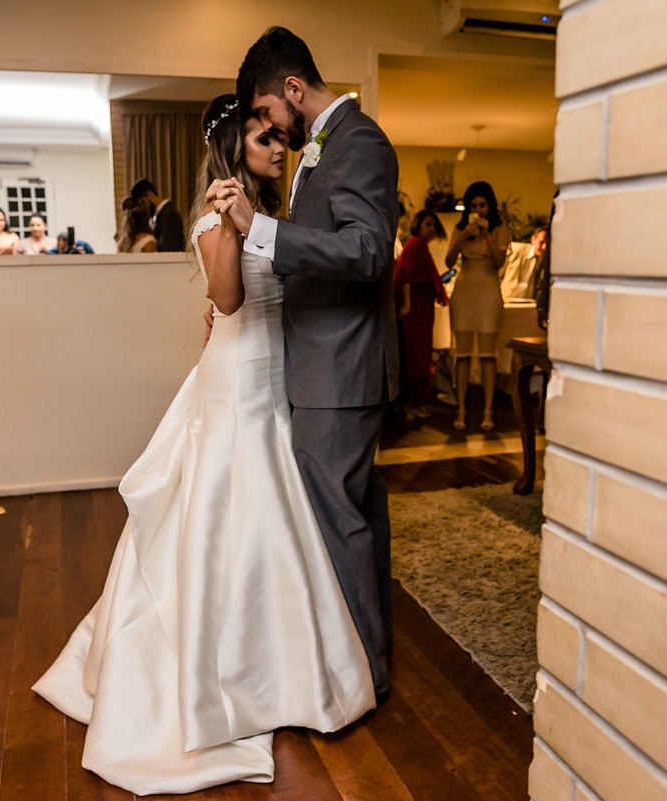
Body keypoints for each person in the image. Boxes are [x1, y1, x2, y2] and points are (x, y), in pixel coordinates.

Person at [33, 94, 374, 795]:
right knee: (227, 516)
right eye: (262, 140)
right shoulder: (213, 218)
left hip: (278, 373)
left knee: (277, 520)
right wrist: (228, 227)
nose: (277, 149)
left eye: (278, 139)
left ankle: (283, 667)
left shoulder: (277, 211)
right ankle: (218, 677)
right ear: (232, 150)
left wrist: (258, 227)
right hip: (236, 382)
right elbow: (226, 300)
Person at [218, 26, 399, 701]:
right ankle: (369, 654)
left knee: (337, 520)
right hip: (325, 362)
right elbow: (326, 252)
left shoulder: (361, 142)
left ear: (293, 90)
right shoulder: (324, 148)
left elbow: (367, 251)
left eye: (268, 113)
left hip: (339, 367)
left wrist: (260, 233)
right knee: (357, 514)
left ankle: (361, 677)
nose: (269, 129)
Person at [445, 181, 511, 431]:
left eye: (482, 204)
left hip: (489, 292)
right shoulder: (461, 228)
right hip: (464, 293)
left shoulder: (500, 227)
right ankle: (461, 409)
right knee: (462, 355)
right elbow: (449, 261)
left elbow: (498, 261)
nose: (478, 209)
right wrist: (463, 237)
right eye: (473, 205)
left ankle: (487, 410)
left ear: (490, 204)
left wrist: (485, 234)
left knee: (487, 355)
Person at [394, 210, 448, 418]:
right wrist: (407, 304)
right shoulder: (416, 245)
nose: (432, 228)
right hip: (415, 310)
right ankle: (412, 403)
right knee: (415, 354)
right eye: (428, 224)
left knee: (418, 353)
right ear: (418, 225)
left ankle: (413, 403)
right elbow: (406, 274)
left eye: (434, 224)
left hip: (422, 309)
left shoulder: (418, 245)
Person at [130, 179, 185, 252]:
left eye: (142, 202)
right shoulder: (159, 213)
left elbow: (169, 247)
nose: (142, 207)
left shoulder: (168, 213)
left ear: (150, 195)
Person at [499, 226, 548, 300]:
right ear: (533, 240)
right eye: (541, 242)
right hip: (507, 297)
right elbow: (500, 270)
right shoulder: (516, 249)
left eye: (548, 244)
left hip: (528, 300)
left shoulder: (543, 261)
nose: (544, 247)